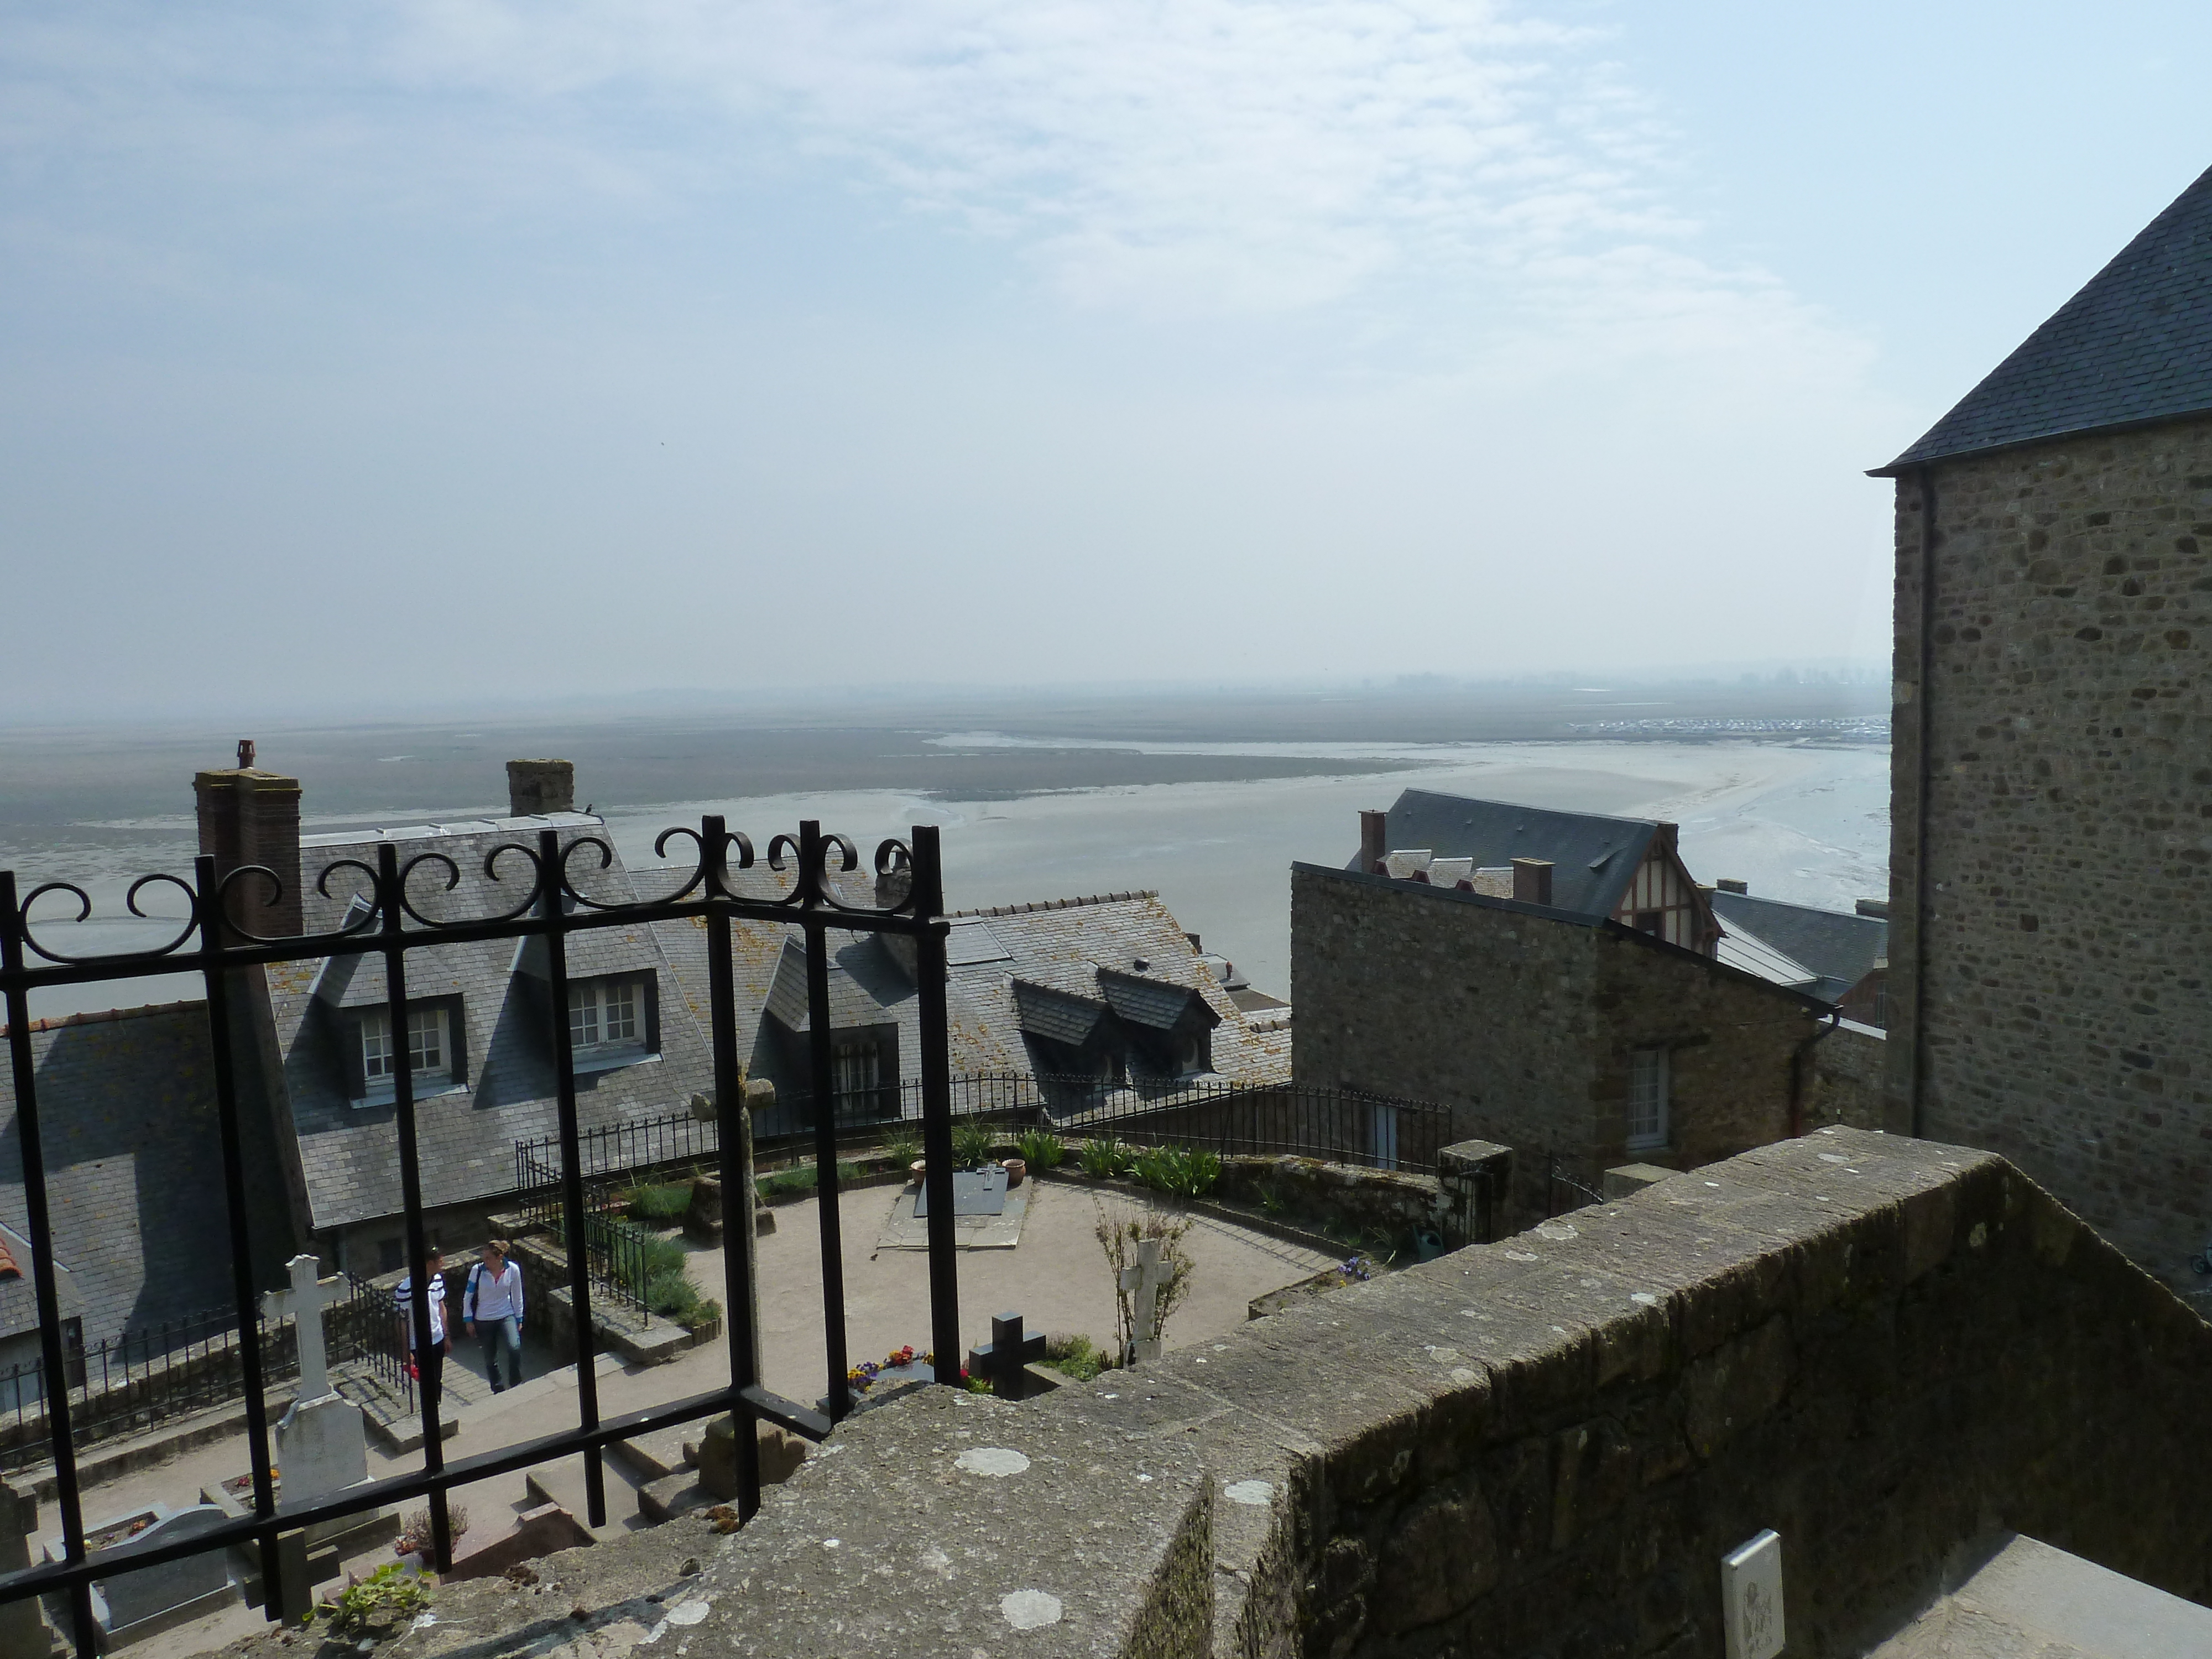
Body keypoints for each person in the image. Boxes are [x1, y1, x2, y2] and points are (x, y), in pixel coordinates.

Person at [462, 1239, 526, 1393]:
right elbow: (468, 1296)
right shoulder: (477, 1271)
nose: (485, 1262)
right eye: (484, 1258)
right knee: (490, 1358)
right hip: (484, 1318)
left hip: (506, 1314)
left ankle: (515, 1382)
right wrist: (468, 1320)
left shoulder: (513, 1270)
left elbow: (517, 1296)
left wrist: (519, 1319)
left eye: (488, 1258)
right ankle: (498, 1388)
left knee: (514, 1347)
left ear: (500, 1258)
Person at [393, 1249, 450, 1414]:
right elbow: (401, 1321)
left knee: (436, 1378)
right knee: (424, 1382)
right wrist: (406, 1352)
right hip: (417, 1344)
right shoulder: (405, 1290)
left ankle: (437, 1409)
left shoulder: (438, 1280)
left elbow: (441, 1308)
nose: (443, 1264)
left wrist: (446, 1336)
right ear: (430, 1263)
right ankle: (427, 1411)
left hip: (437, 1339)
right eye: (440, 1261)